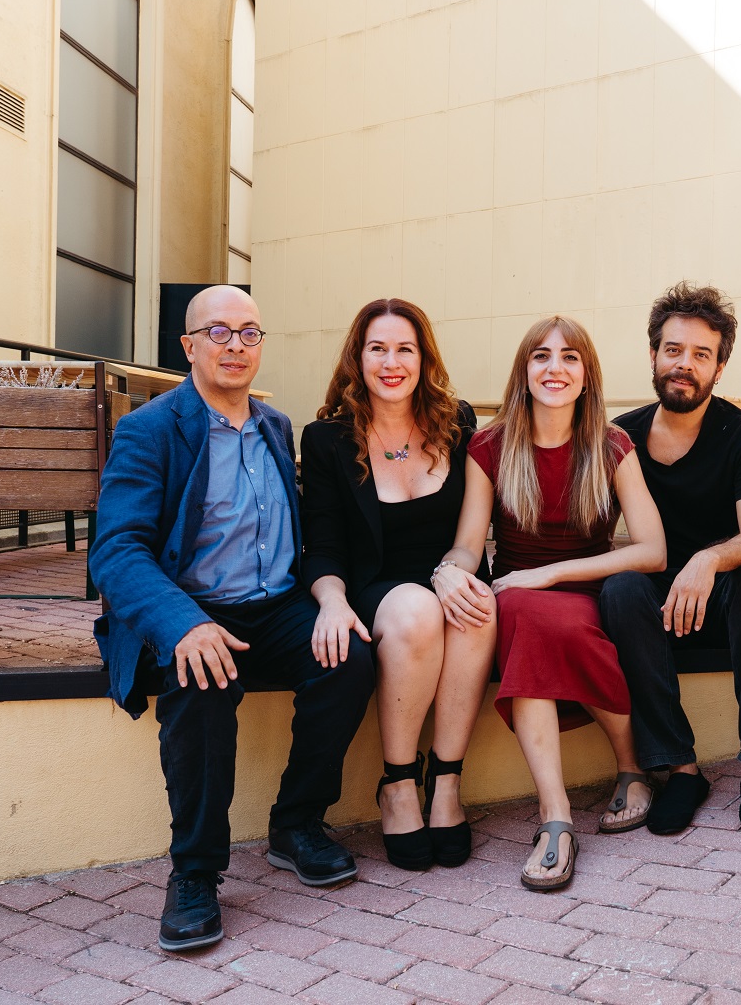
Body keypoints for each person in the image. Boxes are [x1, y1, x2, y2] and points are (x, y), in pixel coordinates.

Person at [91, 286, 374, 952]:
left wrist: (329, 599)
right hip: (191, 607)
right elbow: (117, 548)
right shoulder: (151, 429)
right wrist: (181, 623)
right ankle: (193, 873)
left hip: (273, 607)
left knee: (350, 658)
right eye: (219, 332)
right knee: (201, 681)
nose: (236, 346)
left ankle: (296, 824)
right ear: (188, 346)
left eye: (249, 333)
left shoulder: (274, 427)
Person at [452, 315, 667, 891]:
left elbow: (652, 550)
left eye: (570, 357)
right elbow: (469, 546)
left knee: (549, 618)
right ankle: (557, 817)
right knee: (524, 614)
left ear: (587, 374)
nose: (555, 367)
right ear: (524, 372)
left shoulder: (613, 445)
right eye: (542, 356)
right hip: (517, 594)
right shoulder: (489, 446)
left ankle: (630, 767)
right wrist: (450, 576)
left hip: (586, 585)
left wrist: (550, 574)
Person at [300, 298, 496, 872]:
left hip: (450, 575)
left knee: (476, 604)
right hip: (377, 591)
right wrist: (331, 601)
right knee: (416, 610)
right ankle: (399, 784)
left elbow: (473, 525)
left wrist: (458, 571)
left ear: (423, 357)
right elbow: (325, 544)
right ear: (357, 359)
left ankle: (448, 783)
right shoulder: (327, 440)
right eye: (377, 348)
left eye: (404, 348)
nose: (392, 361)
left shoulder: (456, 422)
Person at [600, 282, 741, 835]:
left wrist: (706, 561)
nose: (684, 365)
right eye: (673, 350)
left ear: (719, 366)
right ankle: (680, 769)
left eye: (700, 354)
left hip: (728, 598)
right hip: (654, 609)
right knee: (619, 588)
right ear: (653, 355)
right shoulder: (623, 437)